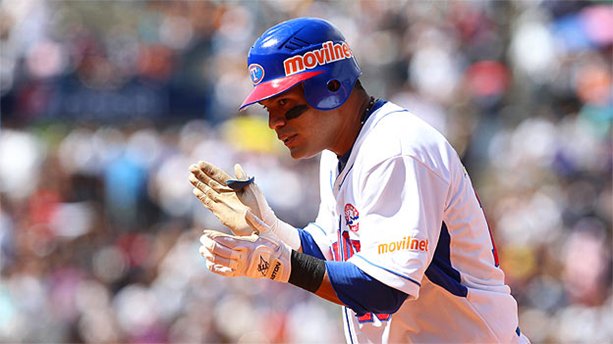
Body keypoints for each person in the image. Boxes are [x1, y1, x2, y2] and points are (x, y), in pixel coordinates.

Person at [189, 17, 529, 343]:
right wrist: (268, 227)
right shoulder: (339, 152)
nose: (275, 123)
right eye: (268, 108)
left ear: (331, 85)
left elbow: (384, 289)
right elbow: (330, 254)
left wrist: (279, 265)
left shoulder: (396, 148)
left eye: (286, 104)